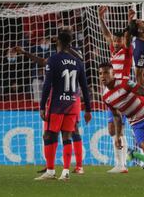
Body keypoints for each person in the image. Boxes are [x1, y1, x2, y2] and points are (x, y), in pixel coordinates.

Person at [14, 43, 86, 174]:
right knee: (50, 133)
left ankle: (79, 166)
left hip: (71, 99)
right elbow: (42, 61)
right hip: (59, 100)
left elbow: (81, 59)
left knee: (72, 131)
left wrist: (68, 47)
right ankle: (50, 165)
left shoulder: (74, 53)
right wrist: (25, 53)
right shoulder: (56, 59)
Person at [35, 28, 92, 180]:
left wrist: (42, 106)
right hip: (73, 104)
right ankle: (65, 172)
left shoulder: (53, 60)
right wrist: (88, 109)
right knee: (67, 136)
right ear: (70, 43)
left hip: (57, 104)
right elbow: (85, 87)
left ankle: (51, 171)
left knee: (49, 135)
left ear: (58, 41)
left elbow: (47, 85)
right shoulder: (78, 62)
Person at [97, 6, 135, 173]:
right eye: (116, 40)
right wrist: (101, 18)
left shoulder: (127, 52)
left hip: (123, 93)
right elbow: (106, 35)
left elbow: (129, 36)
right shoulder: (113, 50)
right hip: (112, 93)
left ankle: (122, 165)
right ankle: (120, 163)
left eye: (119, 40)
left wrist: (130, 20)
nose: (117, 42)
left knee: (119, 126)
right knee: (112, 129)